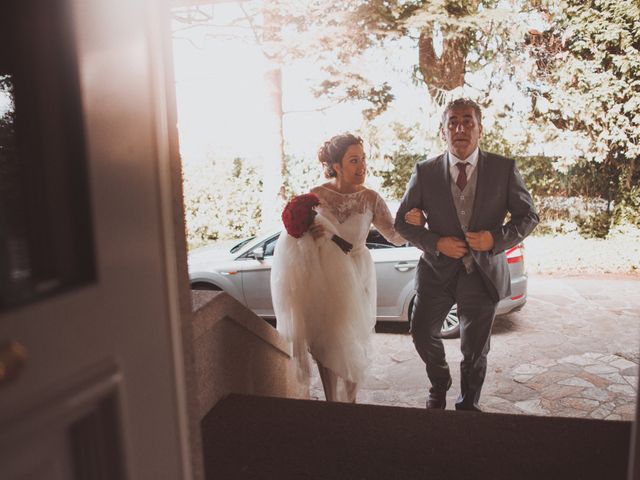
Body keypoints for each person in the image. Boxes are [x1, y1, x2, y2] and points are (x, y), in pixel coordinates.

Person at [394, 98, 539, 411]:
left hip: (482, 272)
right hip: (436, 272)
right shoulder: (425, 171)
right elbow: (400, 223)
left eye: (467, 121)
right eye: (453, 122)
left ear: (480, 129)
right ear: (443, 130)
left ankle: (467, 404)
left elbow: (529, 217)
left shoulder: (504, 169)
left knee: (475, 350)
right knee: (421, 332)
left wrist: (494, 239)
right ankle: (439, 380)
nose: (460, 128)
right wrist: (435, 242)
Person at [271, 133, 423, 403]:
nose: (361, 166)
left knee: (354, 338)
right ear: (336, 165)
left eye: (363, 159)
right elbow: (297, 242)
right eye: (354, 160)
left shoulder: (371, 199)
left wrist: (414, 224)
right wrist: (311, 236)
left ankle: (351, 404)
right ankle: (332, 403)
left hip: (358, 275)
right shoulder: (315, 196)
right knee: (326, 340)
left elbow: (396, 238)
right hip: (324, 278)